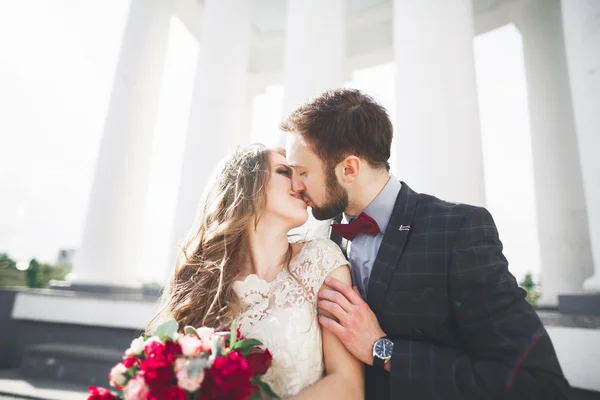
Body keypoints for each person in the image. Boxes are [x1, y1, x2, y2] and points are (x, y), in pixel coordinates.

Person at [282, 88, 571, 399]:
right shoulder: (317, 240)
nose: (295, 186)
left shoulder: (458, 231)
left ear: (349, 169)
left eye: (302, 172)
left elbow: (538, 384)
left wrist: (384, 351)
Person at [157, 144, 364, 399]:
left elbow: (348, 385)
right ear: (247, 186)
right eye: (284, 172)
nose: (300, 184)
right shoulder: (202, 280)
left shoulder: (321, 259)